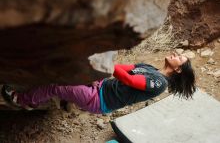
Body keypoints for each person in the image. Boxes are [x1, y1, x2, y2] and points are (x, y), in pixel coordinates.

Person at [1, 52, 196, 114]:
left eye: (179, 58)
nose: (176, 54)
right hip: (101, 86)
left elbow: (127, 78)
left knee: (57, 86)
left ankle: (22, 100)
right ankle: (69, 99)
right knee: (73, 70)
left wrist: (107, 64)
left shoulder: (159, 83)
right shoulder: (150, 68)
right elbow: (122, 67)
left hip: (100, 100)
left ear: (178, 69)